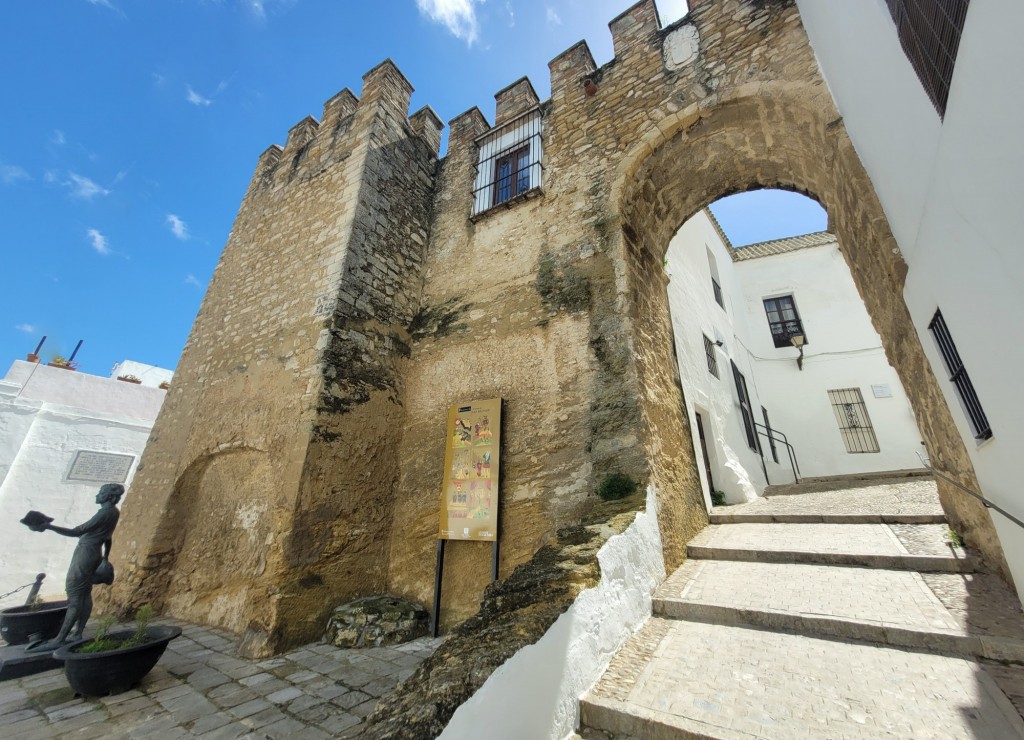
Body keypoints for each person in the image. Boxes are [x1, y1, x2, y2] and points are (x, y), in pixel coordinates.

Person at [23, 483, 123, 651]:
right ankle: (77, 633)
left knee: (75, 594)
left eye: (100, 493)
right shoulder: (113, 512)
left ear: (108, 496)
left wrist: (47, 526)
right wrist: (105, 557)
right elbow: (108, 538)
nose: (96, 495)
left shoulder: (105, 513)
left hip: (85, 554)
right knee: (85, 594)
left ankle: (60, 639)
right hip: (94, 553)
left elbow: (76, 531)